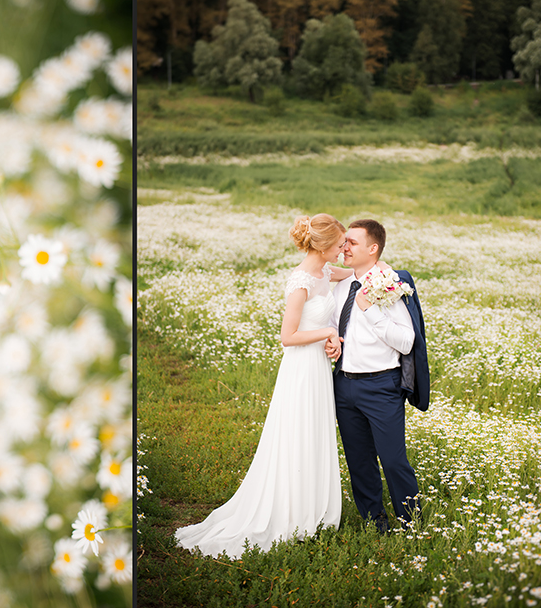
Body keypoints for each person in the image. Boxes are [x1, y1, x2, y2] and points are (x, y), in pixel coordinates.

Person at [175, 213, 358, 559]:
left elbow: (359, 272)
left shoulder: (327, 272)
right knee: (297, 432)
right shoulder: (301, 281)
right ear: (321, 246)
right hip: (301, 368)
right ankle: (290, 511)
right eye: (339, 244)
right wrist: (328, 333)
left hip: (318, 367)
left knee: (315, 432)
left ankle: (313, 506)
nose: (343, 249)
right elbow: (288, 337)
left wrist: (383, 275)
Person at [324, 219, 428, 534]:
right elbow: (334, 325)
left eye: (352, 243)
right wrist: (331, 341)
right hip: (344, 385)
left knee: (394, 460)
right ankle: (375, 520)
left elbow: (407, 340)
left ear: (373, 249)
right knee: (359, 461)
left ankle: (412, 524)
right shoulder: (342, 286)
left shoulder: (390, 285)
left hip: (381, 385)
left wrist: (370, 310)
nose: (345, 247)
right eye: (344, 242)